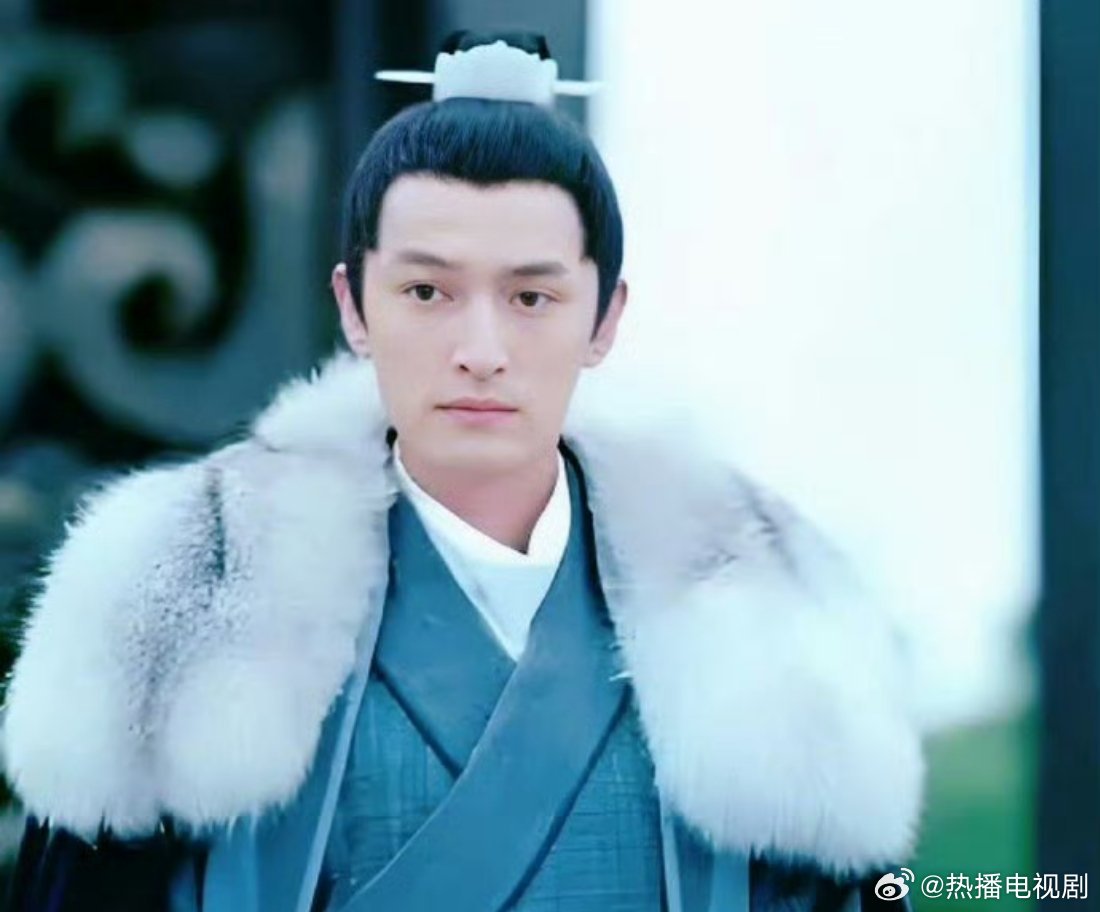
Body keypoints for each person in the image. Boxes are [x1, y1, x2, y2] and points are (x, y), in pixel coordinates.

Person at [1, 29, 924, 912]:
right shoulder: (185, 591)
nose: (481, 350)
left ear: (604, 320)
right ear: (354, 308)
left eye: (532, 297)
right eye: (426, 291)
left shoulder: (764, 608)